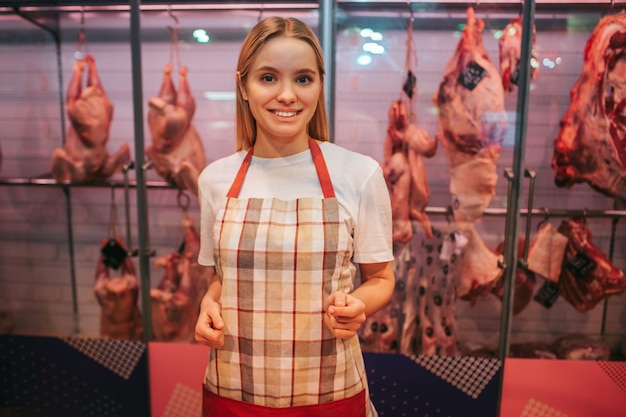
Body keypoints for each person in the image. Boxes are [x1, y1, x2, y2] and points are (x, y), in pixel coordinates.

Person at [194, 16, 395, 417]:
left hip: (331, 393)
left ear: (319, 86)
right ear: (243, 86)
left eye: (303, 79)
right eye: (268, 78)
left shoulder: (359, 174)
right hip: (234, 391)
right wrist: (207, 305)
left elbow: (381, 279)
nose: (287, 94)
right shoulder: (215, 179)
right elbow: (221, 280)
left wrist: (357, 305)